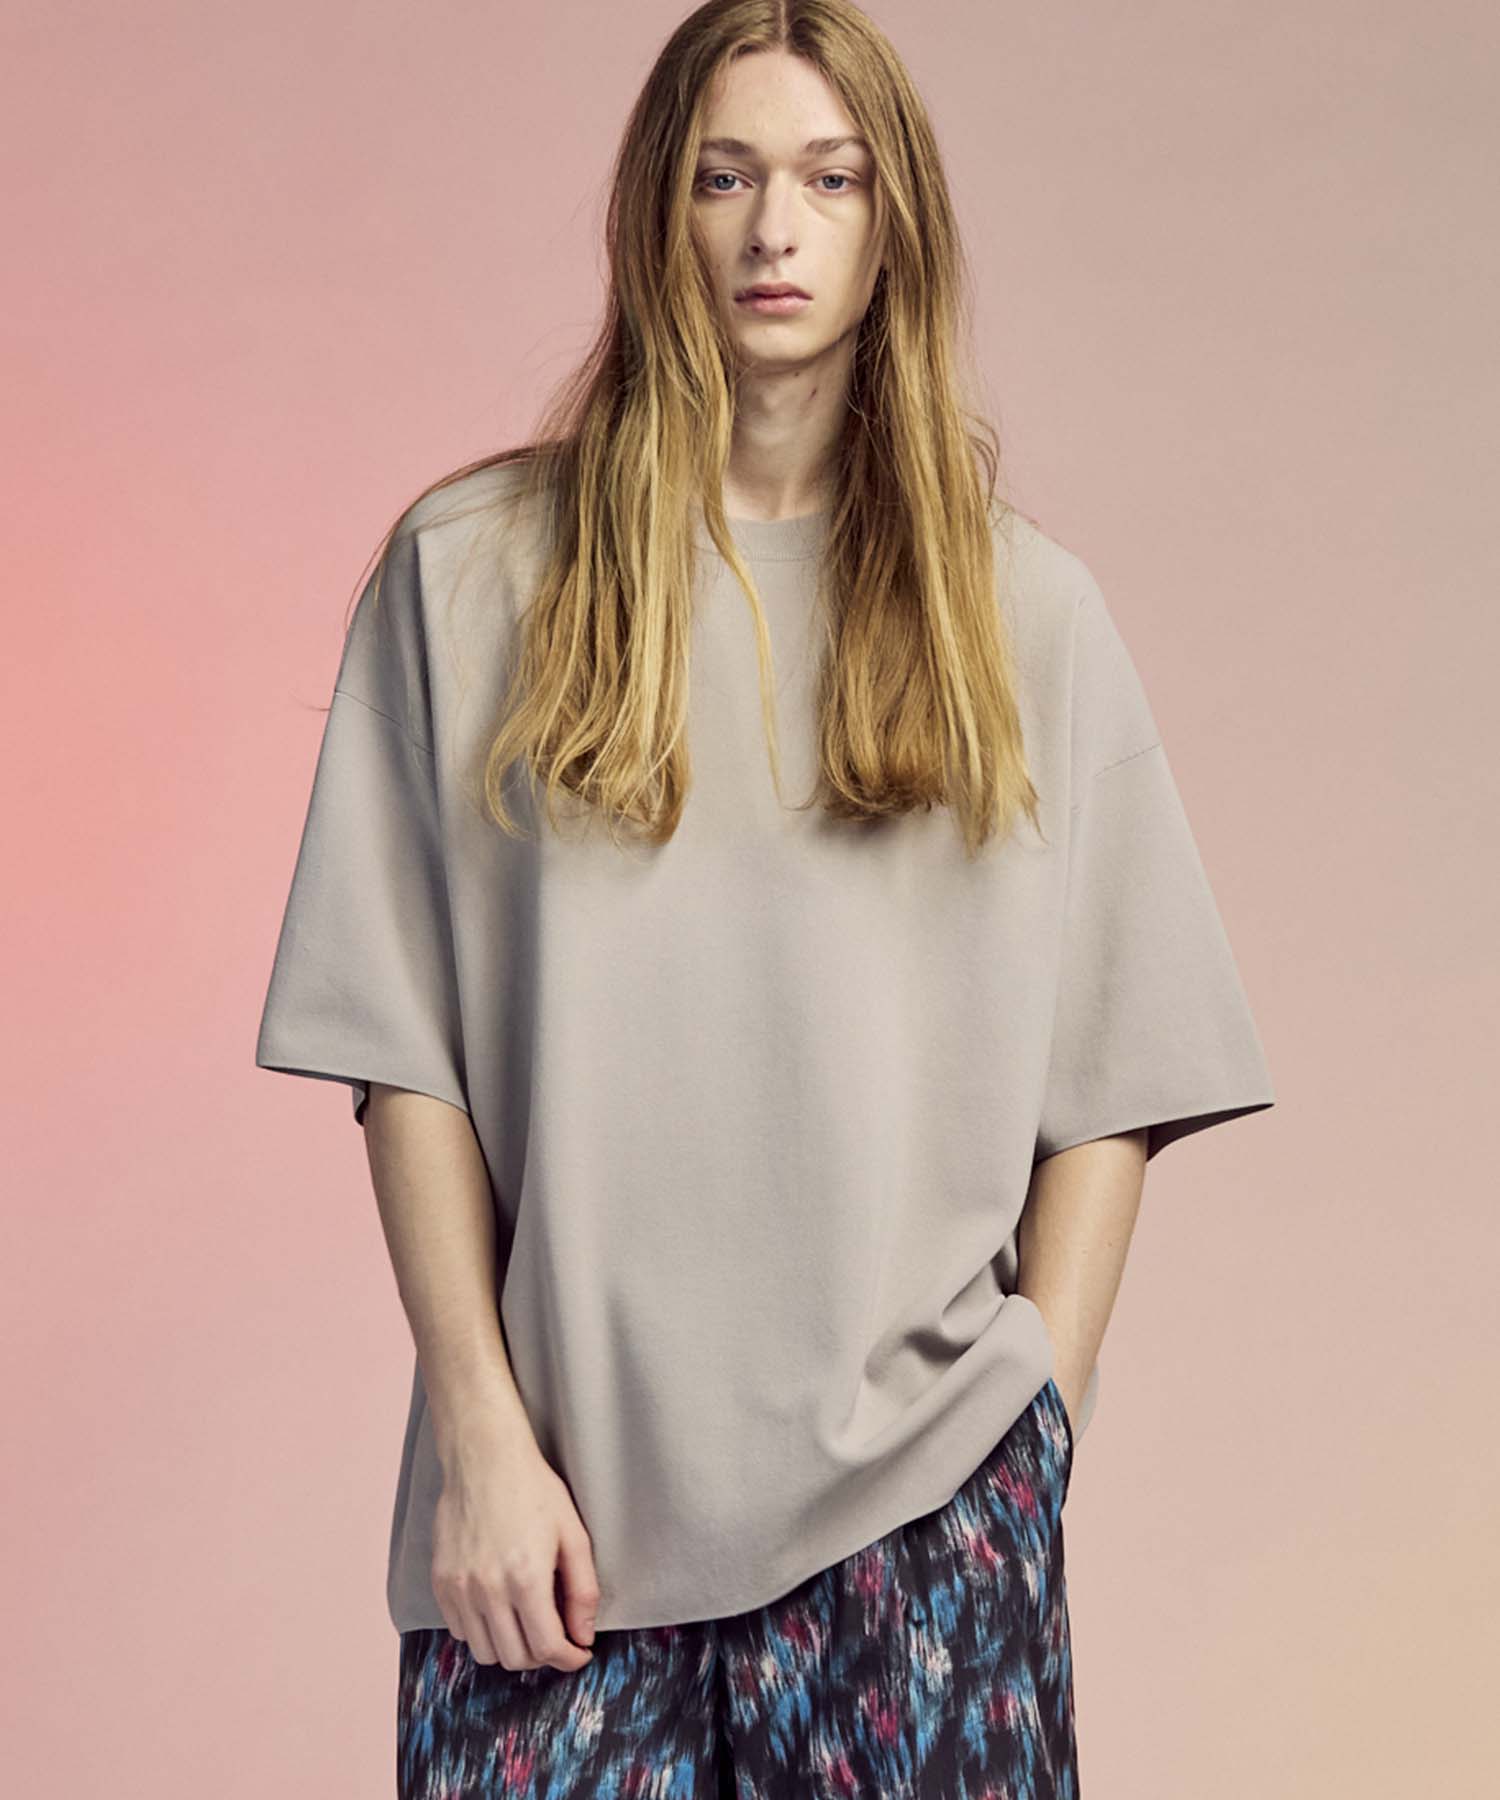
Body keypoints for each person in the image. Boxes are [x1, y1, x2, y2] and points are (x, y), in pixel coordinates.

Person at [254, 2, 1276, 1793]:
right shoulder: (471, 579)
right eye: (724, 178)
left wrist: (1032, 1430)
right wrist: (480, 1438)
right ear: (660, 212)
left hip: (925, 1538)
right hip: (551, 1545)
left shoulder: (1022, 618)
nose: (774, 229)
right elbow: (401, 1055)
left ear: (897, 223)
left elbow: (1112, 1084)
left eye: (830, 178)